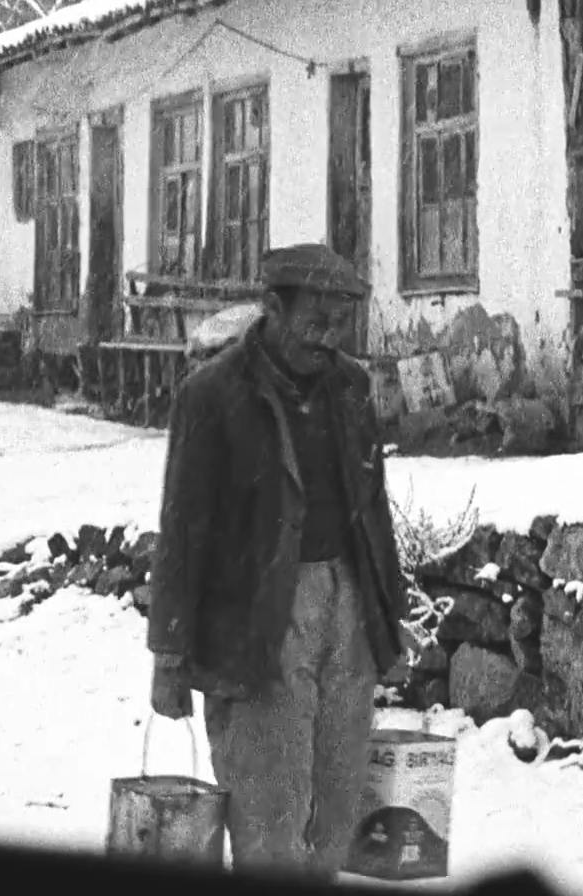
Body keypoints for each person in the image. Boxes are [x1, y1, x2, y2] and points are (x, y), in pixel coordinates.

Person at [147, 243, 409, 883]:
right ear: (272, 308)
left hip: (346, 609)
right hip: (254, 620)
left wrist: (389, 618)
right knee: (270, 813)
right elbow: (182, 529)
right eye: (315, 322)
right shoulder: (213, 395)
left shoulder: (351, 388)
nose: (329, 338)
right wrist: (170, 654)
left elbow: (371, 509)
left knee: (337, 808)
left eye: (340, 323)